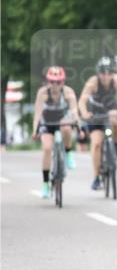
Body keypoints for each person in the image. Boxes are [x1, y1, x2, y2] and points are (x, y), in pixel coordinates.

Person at [78, 56, 117, 190]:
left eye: (109, 73)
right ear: (98, 73)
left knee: (116, 119)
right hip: (95, 112)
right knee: (96, 143)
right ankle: (97, 177)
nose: (106, 76)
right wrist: (85, 113)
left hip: (110, 108)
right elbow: (82, 100)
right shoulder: (93, 82)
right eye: (103, 73)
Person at [31, 66, 78, 198]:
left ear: (63, 82)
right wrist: (35, 130)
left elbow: (74, 111)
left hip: (62, 120)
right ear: (48, 82)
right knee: (46, 149)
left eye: (59, 82)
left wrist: (77, 124)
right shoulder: (43, 93)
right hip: (47, 122)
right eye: (52, 82)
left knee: (67, 127)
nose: (55, 85)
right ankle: (45, 183)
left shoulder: (68, 92)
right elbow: (37, 113)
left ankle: (68, 153)